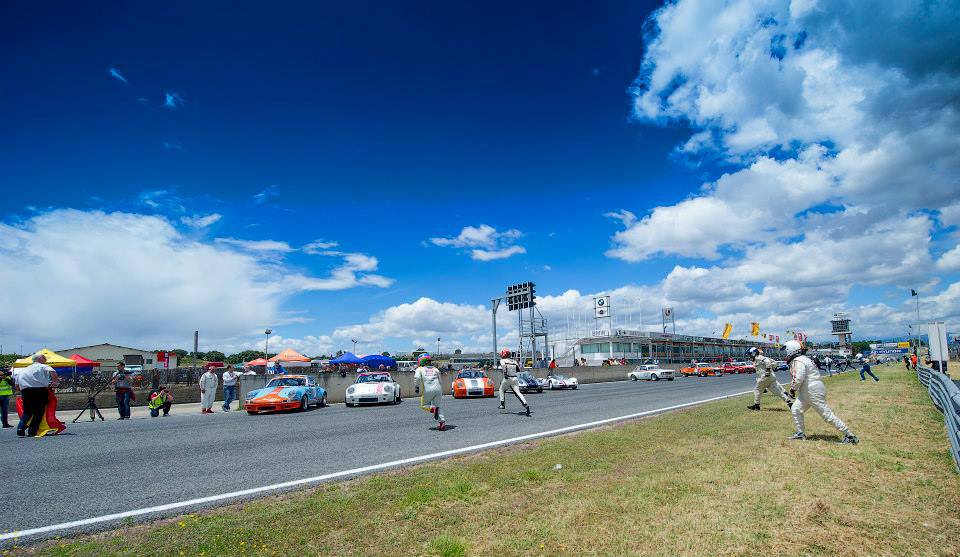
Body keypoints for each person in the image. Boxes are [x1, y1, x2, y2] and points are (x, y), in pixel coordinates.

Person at [785, 340, 859, 444]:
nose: (786, 354)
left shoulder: (798, 360)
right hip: (810, 389)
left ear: (791, 350)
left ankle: (850, 435)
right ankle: (800, 433)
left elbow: (798, 378)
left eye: (786, 351)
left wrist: (792, 389)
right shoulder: (803, 359)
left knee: (827, 415)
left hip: (811, 390)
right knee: (796, 409)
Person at [14, 354, 58, 437]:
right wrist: (54, 382)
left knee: (27, 411)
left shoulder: (23, 370)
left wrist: (24, 389)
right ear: (40, 359)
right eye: (44, 358)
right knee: (39, 412)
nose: (45, 360)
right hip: (40, 390)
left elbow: (16, 386)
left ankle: (20, 428)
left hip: (26, 391)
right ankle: (32, 430)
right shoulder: (43, 366)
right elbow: (53, 372)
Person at [746, 347, 793, 411]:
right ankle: (789, 402)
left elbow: (767, 361)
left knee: (757, 390)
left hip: (764, 377)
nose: (749, 356)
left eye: (750, 355)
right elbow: (773, 362)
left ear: (754, 353)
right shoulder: (758, 358)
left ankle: (756, 406)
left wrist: (768, 370)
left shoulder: (758, 357)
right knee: (777, 392)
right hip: (770, 377)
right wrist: (773, 368)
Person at [413, 354, 445, 430]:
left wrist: (416, 387)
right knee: (438, 405)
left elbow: (417, 378)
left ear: (421, 361)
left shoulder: (420, 369)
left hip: (428, 389)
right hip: (438, 389)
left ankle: (433, 409)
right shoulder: (435, 369)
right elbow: (440, 380)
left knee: (423, 405)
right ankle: (442, 422)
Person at [497, 348, 530, 416]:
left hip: (507, 377)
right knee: (518, 393)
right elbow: (518, 370)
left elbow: (503, 366)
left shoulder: (502, 360)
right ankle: (526, 405)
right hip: (515, 378)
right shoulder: (514, 361)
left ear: (504, 354)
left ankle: (502, 404)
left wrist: (505, 373)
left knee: (501, 389)